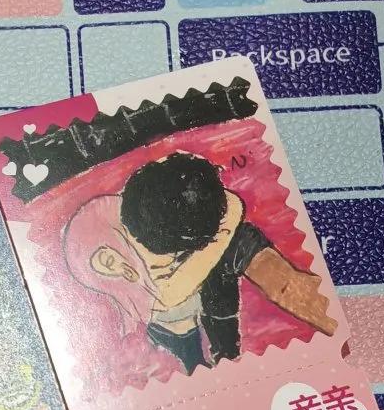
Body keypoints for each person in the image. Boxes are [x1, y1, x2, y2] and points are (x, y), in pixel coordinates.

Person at [65, 152, 335, 373]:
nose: (177, 264)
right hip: (169, 326)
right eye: (167, 262)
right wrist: (222, 234)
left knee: (223, 295)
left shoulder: (167, 205)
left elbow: (231, 203)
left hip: (210, 310)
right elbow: (167, 296)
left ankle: (226, 355)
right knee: (185, 346)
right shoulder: (101, 242)